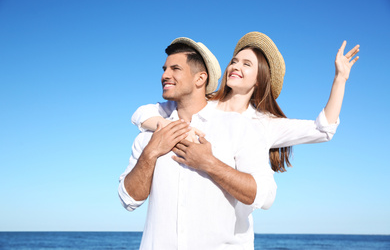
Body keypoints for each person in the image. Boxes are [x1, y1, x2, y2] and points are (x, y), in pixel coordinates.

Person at [118, 37, 277, 249]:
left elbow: (263, 195)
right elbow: (129, 199)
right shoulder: (150, 136)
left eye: (175, 69)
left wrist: (208, 163)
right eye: (164, 69)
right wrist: (151, 153)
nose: (165, 75)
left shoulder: (238, 127)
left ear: (200, 78)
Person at [131, 31, 360, 172]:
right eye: (234, 61)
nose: (235, 67)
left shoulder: (264, 124)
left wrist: (340, 78)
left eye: (246, 64)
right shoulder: (204, 104)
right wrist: (166, 127)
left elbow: (324, 130)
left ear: (259, 80)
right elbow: (143, 113)